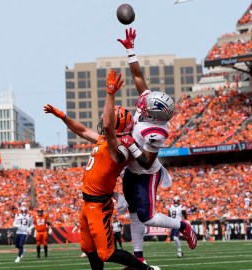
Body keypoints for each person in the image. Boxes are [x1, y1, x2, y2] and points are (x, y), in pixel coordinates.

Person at [44, 69, 160, 270]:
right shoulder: (104, 140)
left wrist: (110, 93)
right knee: (87, 247)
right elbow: (81, 130)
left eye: (109, 120)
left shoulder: (120, 150)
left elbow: (107, 125)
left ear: (117, 127)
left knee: (106, 253)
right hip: (87, 203)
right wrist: (62, 116)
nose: (103, 121)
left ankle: (144, 269)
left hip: (99, 205)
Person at [117, 27, 197, 264]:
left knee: (148, 216)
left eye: (146, 106)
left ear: (154, 114)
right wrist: (131, 51)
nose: (141, 105)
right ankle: (139, 257)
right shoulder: (151, 111)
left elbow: (146, 160)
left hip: (146, 173)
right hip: (132, 170)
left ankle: (182, 225)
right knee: (132, 212)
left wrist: (130, 142)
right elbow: (138, 77)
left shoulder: (157, 132)